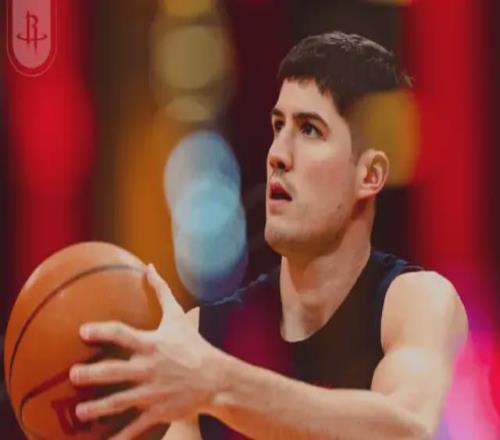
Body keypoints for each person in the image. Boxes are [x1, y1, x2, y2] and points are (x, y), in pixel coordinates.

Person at [69, 32, 468, 440]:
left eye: (309, 130)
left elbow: (406, 429)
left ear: (369, 175)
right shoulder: (206, 336)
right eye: (279, 126)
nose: (277, 153)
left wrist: (217, 383)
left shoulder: (416, 301)